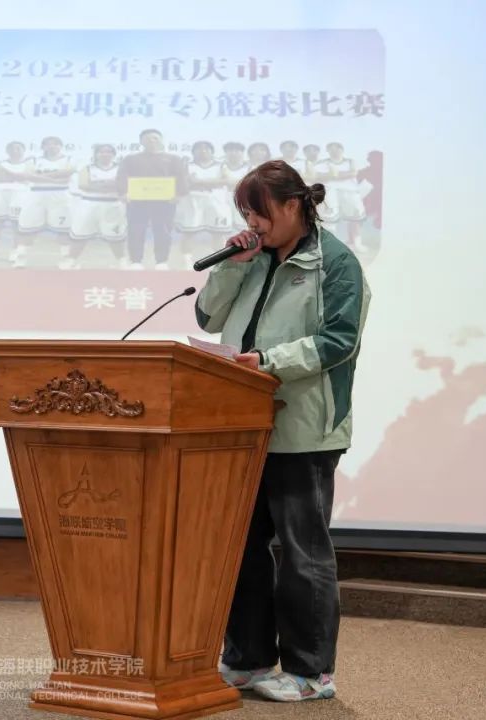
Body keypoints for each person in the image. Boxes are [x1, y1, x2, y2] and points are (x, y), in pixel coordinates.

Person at [194, 160, 371, 703]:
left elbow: (338, 340)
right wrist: (232, 266)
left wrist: (268, 362)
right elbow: (207, 318)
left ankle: (311, 673)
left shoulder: (335, 263)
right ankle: (246, 659)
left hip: (304, 427)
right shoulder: (251, 257)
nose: (252, 222)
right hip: (240, 424)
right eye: (246, 212)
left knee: (302, 552)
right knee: (240, 547)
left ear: (294, 206)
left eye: (260, 212)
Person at [116, 129, 189, 270]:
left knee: (163, 231)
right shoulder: (131, 159)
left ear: (161, 140)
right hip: (136, 201)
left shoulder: (173, 159)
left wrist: (179, 194)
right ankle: (136, 261)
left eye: (155, 138)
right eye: (148, 138)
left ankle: (161, 261)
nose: (152, 141)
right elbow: (122, 176)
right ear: (141, 142)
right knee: (135, 230)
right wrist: (123, 193)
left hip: (165, 202)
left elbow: (181, 177)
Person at [11, 136, 75, 268]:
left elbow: (67, 175)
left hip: (60, 196)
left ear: (61, 146)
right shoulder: (33, 160)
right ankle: (21, 258)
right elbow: (28, 175)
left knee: (63, 230)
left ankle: (65, 260)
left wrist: (39, 177)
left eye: (55, 144)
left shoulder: (69, 159)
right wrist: (54, 179)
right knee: (27, 229)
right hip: (36, 195)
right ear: (43, 147)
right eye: (48, 144)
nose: (52, 146)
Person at [65, 143, 127, 269]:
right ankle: (71, 260)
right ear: (96, 154)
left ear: (114, 154)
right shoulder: (87, 168)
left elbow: (124, 185)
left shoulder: (121, 169)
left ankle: (122, 261)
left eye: (108, 152)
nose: (105, 154)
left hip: (113, 205)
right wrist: (110, 185)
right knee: (80, 235)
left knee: (115, 236)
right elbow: (83, 185)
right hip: (89, 204)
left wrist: (96, 185)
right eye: (101, 152)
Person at [177, 140, 230, 268]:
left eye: (206, 148)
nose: (203, 151)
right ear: (193, 152)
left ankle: (219, 261)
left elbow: (226, 181)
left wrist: (199, 182)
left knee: (218, 233)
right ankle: (186, 261)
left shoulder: (221, 165)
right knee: (189, 232)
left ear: (212, 151)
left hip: (215, 201)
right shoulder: (187, 165)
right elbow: (185, 182)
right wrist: (213, 182)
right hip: (193, 201)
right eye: (199, 148)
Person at [0, 141, 33, 263]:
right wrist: (16, 177)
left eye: (18, 148)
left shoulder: (29, 164)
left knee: (17, 224)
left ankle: (15, 251)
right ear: (7, 151)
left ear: (23, 150)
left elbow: (26, 177)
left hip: (20, 195)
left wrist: (7, 175)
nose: (15, 151)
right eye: (12, 148)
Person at [314, 142, 366, 250]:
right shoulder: (323, 163)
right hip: (331, 193)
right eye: (331, 149)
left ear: (341, 149)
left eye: (337, 148)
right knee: (329, 220)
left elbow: (353, 173)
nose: (334, 151)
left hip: (350, 192)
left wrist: (334, 175)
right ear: (328, 151)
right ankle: (329, 245)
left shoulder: (350, 161)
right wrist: (339, 175)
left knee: (354, 219)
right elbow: (319, 176)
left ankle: (357, 243)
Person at [221, 142, 250, 232]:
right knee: (223, 228)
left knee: (242, 227)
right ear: (226, 153)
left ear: (242, 153)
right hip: (223, 199)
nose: (233, 153)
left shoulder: (249, 167)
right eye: (230, 150)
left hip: (242, 199)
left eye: (237, 151)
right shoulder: (221, 166)